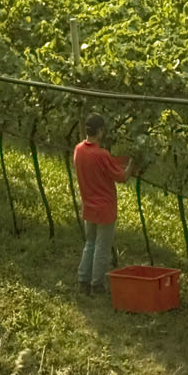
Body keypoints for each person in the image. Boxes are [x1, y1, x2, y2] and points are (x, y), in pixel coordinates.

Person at [72, 116, 127, 292]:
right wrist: (132, 164)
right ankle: (97, 284)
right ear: (101, 131)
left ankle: (83, 281)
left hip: (89, 207)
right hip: (105, 210)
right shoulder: (101, 154)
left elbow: (105, 164)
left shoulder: (79, 150)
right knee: (102, 248)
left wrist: (118, 160)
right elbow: (122, 177)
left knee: (90, 244)